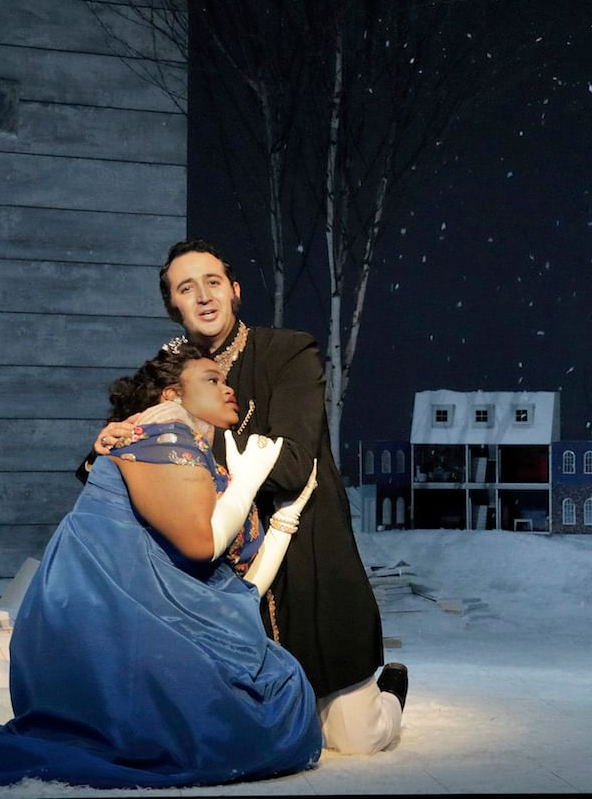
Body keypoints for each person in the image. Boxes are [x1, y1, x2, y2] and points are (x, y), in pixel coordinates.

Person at [0, 346, 323, 788]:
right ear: (171, 394)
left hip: (143, 614)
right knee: (253, 726)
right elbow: (201, 546)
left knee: (283, 691)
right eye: (211, 379)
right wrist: (251, 480)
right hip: (110, 622)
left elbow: (240, 589)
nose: (228, 387)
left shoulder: (195, 455)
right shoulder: (162, 434)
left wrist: (281, 522)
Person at [82, 239, 406, 754]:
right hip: (223, 578)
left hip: (304, 554)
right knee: (246, 728)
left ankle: (388, 692)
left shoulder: (287, 352)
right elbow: (129, 448)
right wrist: (119, 439)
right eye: (186, 289)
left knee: (352, 739)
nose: (203, 296)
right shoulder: (172, 370)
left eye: (213, 282)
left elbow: (297, 463)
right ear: (174, 307)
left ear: (234, 291)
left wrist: (186, 433)